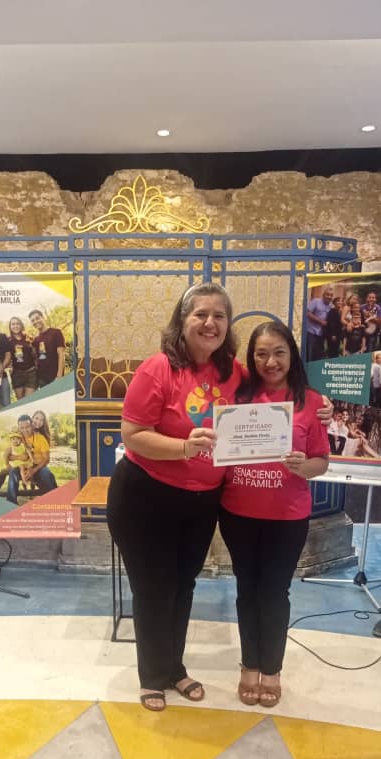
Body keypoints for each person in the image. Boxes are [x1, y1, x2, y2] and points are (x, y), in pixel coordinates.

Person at [107, 282, 259, 712]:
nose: (210, 323)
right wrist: (184, 448)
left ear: (228, 327)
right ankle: (152, 676)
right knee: (154, 588)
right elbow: (133, 436)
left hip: (201, 501)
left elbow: (275, 396)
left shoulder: (233, 373)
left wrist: (318, 406)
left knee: (183, 586)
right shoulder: (158, 369)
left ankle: (173, 667)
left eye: (219, 316)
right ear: (183, 320)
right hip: (145, 498)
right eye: (200, 314)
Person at [218, 321, 329, 708]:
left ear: (292, 355)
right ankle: (249, 666)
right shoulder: (236, 395)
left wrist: (304, 466)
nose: (270, 361)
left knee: (275, 592)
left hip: (287, 516)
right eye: (261, 353)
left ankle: (272, 670)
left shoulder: (312, 403)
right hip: (238, 513)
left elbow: (322, 462)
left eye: (279, 352)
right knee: (248, 590)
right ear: (252, 358)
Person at [6, 413, 57, 503]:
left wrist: (34, 470)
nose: (25, 430)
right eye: (22, 428)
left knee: (46, 473)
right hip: (23, 466)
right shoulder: (17, 438)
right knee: (13, 473)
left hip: (39, 466)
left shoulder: (40, 438)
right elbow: (8, 455)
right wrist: (21, 458)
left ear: (32, 426)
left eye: (27, 427)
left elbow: (46, 459)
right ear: (19, 428)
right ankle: (11, 502)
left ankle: (53, 499)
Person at [29, 310, 65, 388]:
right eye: (33, 320)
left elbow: (61, 355)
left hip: (55, 377)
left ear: (43, 317)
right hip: (42, 380)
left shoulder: (56, 333)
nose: (35, 321)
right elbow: (35, 358)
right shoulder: (36, 340)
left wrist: (59, 376)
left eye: (37, 318)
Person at [0, 426, 33, 492]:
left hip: (24, 465)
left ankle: (29, 488)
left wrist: (29, 458)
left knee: (26, 471)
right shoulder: (10, 448)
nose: (15, 441)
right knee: (4, 471)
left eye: (17, 439)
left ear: (21, 439)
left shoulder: (23, 445)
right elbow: (5, 456)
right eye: (13, 439)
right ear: (11, 440)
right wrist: (7, 464)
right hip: (15, 466)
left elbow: (26, 456)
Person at [8, 317, 38, 398]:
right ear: (10, 326)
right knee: (21, 402)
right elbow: (7, 357)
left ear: (21, 325)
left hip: (31, 373)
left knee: (29, 400)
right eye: (13, 324)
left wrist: (37, 366)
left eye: (17, 324)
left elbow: (36, 354)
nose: (15, 326)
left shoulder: (28, 338)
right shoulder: (8, 340)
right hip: (17, 374)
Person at [306, 287, 333, 362]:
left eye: (331, 295)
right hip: (311, 332)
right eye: (328, 295)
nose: (329, 297)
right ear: (323, 295)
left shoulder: (331, 306)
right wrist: (320, 321)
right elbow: (307, 313)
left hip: (321, 335)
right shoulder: (316, 301)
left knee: (318, 356)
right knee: (309, 354)